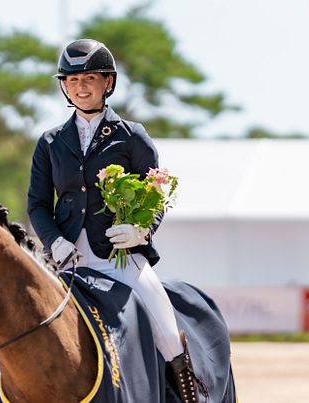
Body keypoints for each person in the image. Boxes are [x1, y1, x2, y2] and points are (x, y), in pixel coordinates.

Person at [27, 38, 201, 402]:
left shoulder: (132, 136)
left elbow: (157, 194)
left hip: (121, 259)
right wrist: (54, 239)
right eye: (72, 81)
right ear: (63, 86)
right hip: (65, 259)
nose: (81, 87)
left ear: (108, 82)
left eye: (89, 78)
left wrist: (142, 230)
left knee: (167, 332)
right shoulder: (50, 141)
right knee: (18, 317)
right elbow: (38, 204)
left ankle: (188, 396)